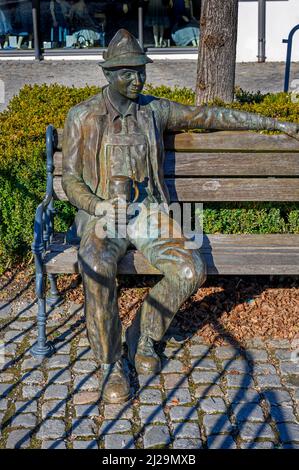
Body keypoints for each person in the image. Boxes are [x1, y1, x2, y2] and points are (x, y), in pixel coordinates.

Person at [62, 29, 299, 404]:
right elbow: (71, 178)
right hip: (103, 214)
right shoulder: (83, 116)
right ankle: (110, 363)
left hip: (149, 213)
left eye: (141, 71)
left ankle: (144, 335)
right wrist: (97, 206)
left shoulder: (155, 111)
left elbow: (209, 115)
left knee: (190, 269)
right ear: (108, 74)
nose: (137, 79)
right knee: (95, 264)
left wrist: (274, 124)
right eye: (128, 73)